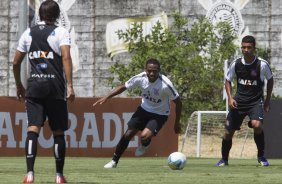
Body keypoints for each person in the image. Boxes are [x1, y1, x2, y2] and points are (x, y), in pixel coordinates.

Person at [12, 0, 75, 183]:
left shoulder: (28, 33)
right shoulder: (61, 32)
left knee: (33, 128)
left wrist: (18, 84)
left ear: (39, 14)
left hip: (34, 88)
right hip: (55, 87)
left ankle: (30, 174)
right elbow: (66, 57)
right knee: (58, 132)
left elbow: (15, 63)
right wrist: (70, 85)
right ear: (57, 15)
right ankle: (59, 176)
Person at [93, 58, 182, 168]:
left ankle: (145, 143)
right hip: (144, 109)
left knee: (144, 136)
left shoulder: (166, 84)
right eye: (149, 70)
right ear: (145, 70)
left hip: (160, 114)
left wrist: (177, 123)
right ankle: (114, 161)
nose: (152, 73)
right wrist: (106, 97)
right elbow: (123, 87)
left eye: (155, 71)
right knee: (128, 134)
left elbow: (178, 102)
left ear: (159, 71)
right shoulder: (140, 78)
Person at [216, 35, 274, 167]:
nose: (246, 50)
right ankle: (224, 159)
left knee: (257, 125)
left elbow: (270, 79)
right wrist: (230, 98)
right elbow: (228, 80)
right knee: (228, 132)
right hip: (239, 102)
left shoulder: (262, 64)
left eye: (249, 47)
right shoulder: (236, 63)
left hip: (255, 101)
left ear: (254, 48)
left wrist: (267, 100)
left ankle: (261, 157)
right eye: (243, 47)